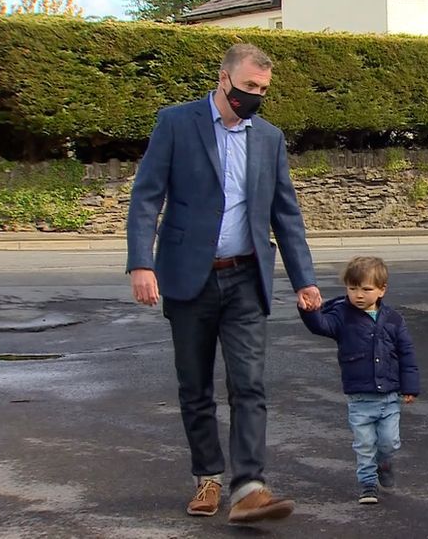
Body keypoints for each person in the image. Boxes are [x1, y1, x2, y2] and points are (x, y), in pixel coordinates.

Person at [126, 43, 322, 524]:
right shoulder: (176, 123)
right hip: (187, 278)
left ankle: (249, 486)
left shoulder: (269, 138)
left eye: (262, 90)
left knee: (249, 383)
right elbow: (147, 196)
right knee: (195, 386)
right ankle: (208, 477)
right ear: (223, 79)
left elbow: (285, 213)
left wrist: (305, 279)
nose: (254, 96)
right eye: (248, 86)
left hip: (245, 277)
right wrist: (141, 263)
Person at [298, 256, 420, 504]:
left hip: (389, 396)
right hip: (360, 397)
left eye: (366, 289)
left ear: (382, 290)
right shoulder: (342, 316)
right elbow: (321, 325)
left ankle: (384, 463)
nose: (359, 295)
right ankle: (367, 484)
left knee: (389, 442)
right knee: (364, 444)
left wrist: (410, 386)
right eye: (352, 289)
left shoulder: (394, 319)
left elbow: (407, 353)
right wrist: (310, 311)